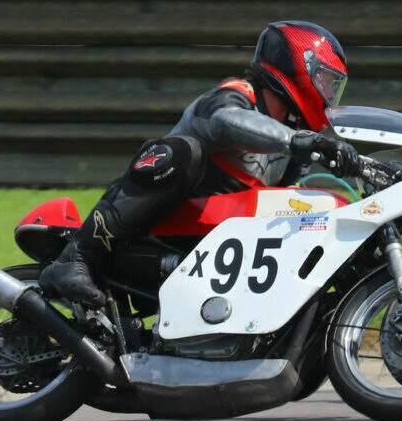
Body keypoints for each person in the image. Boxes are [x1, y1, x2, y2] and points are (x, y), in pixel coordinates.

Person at [40, 20, 375, 309]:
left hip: (208, 244)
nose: (330, 93)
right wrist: (297, 141)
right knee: (182, 153)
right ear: (298, 68)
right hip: (157, 221)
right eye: (326, 80)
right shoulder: (236, 95)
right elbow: (226, 121)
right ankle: (77, 256)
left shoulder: (289, 147)